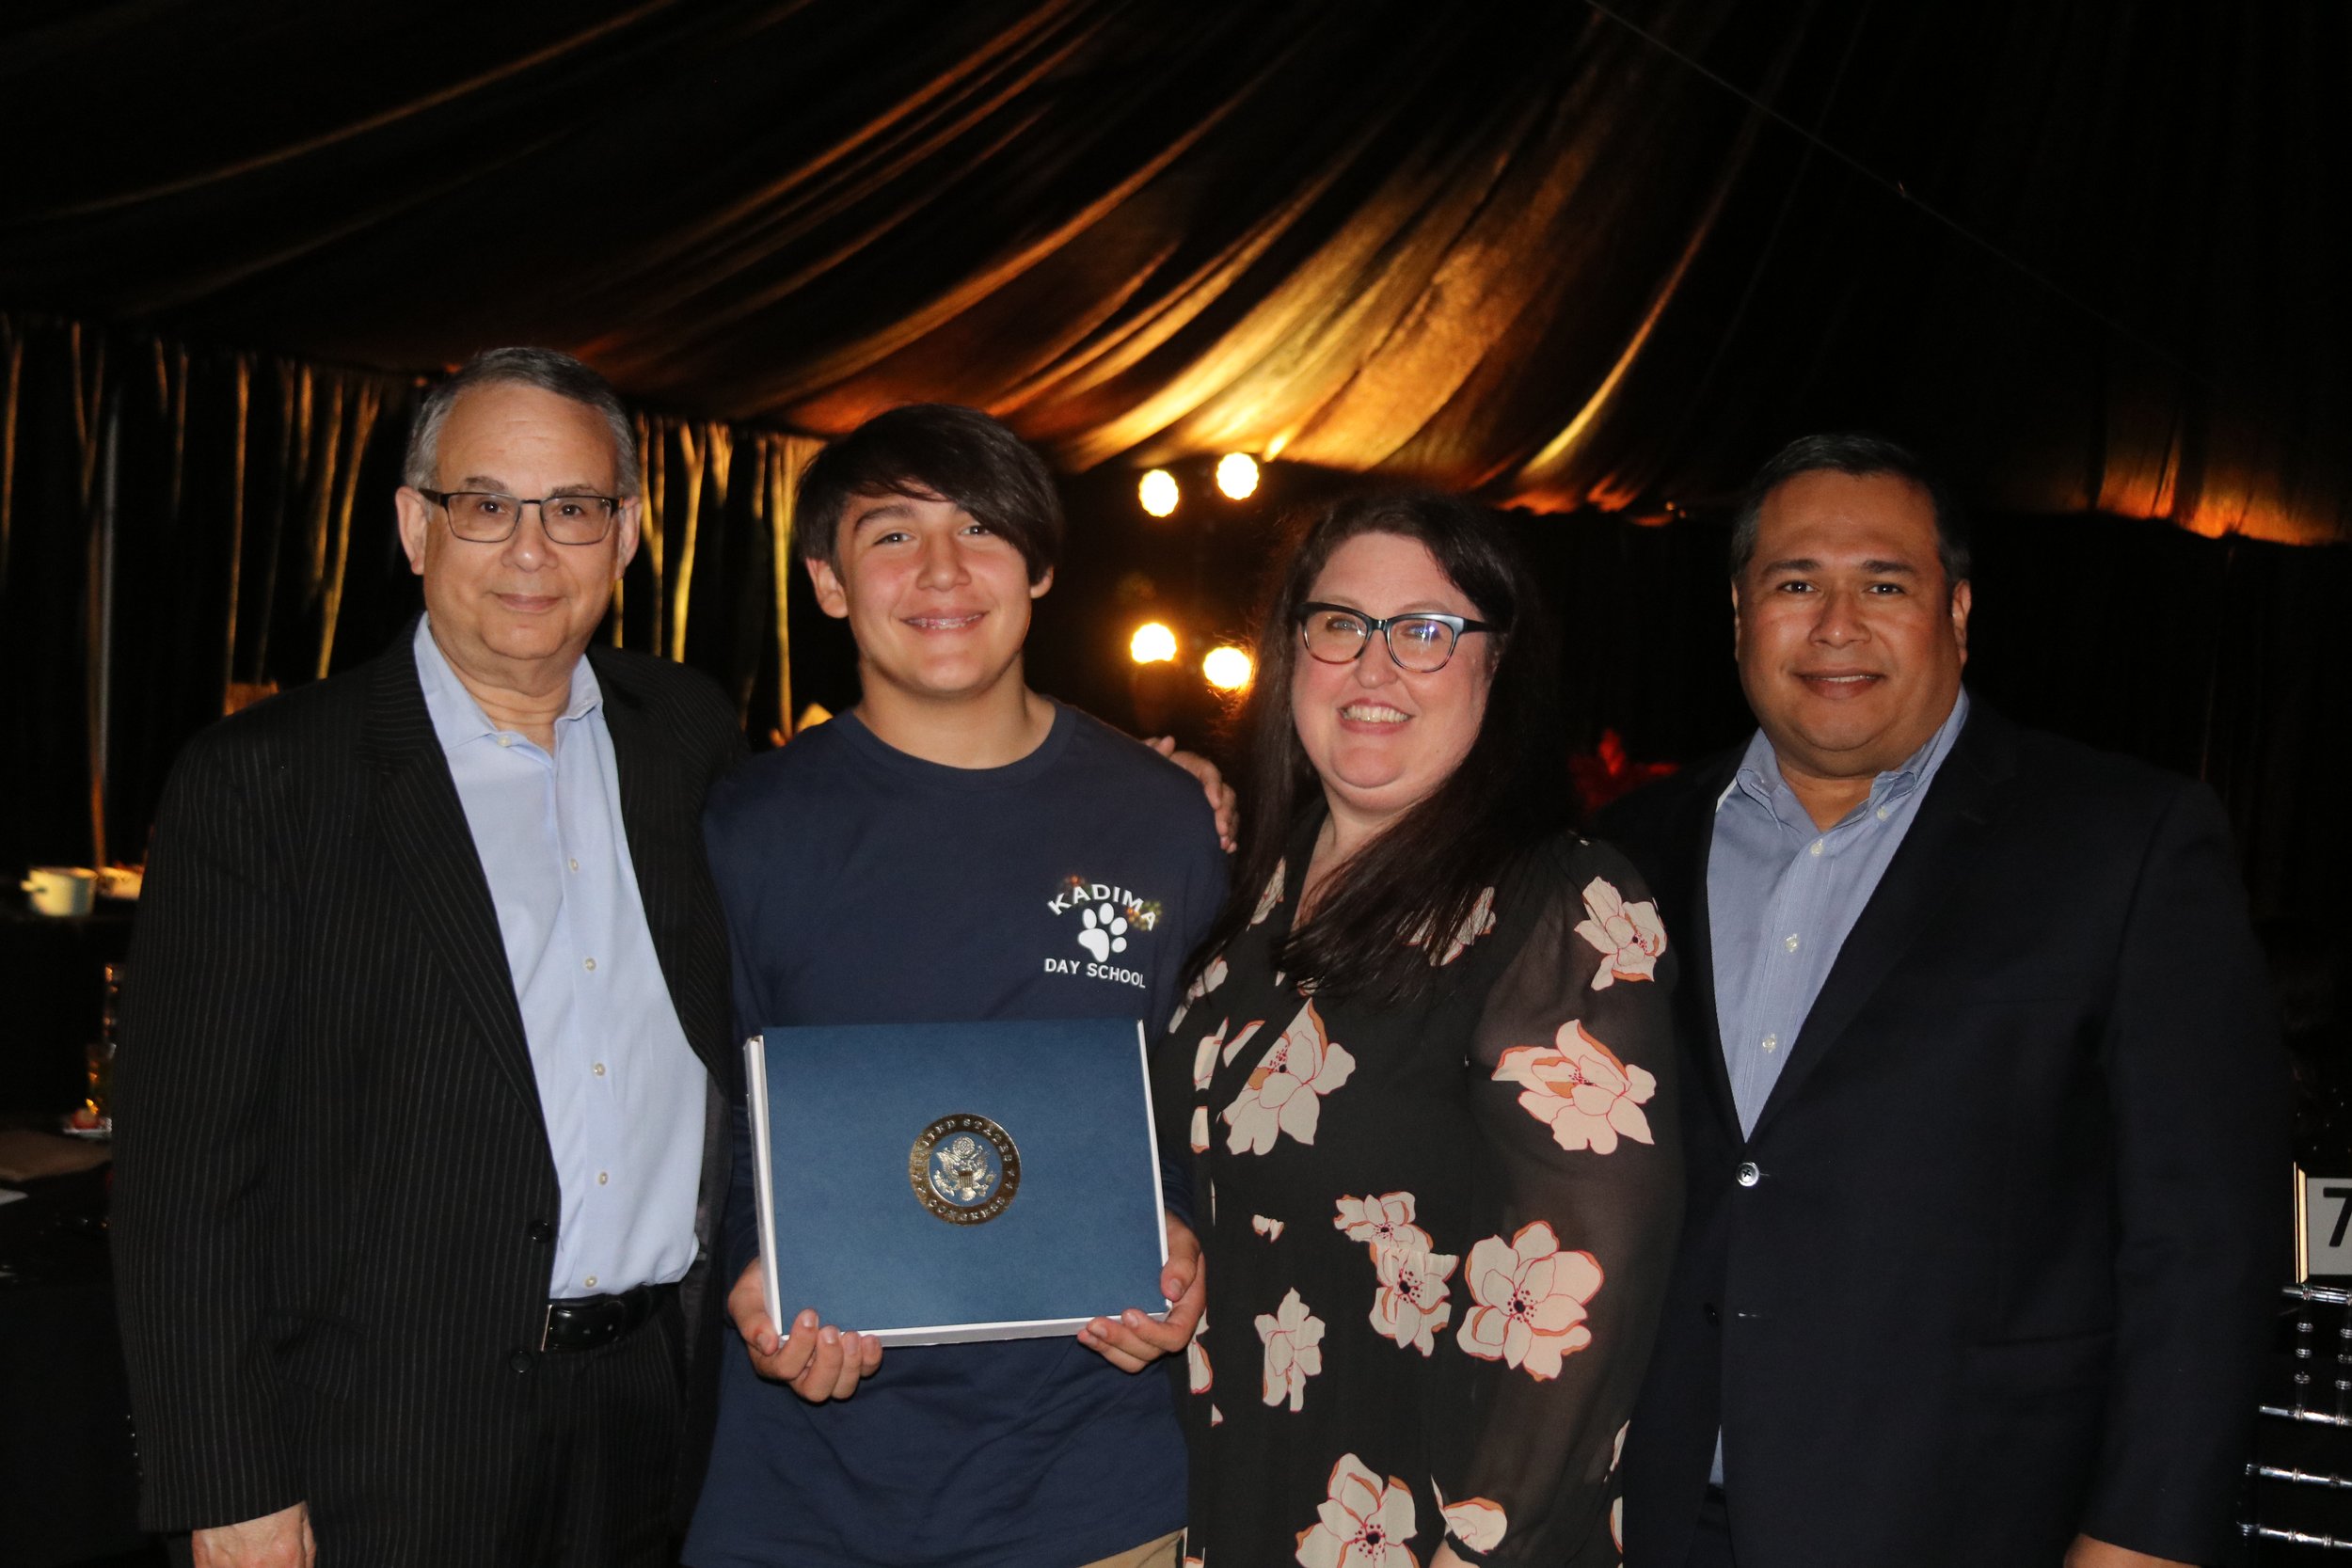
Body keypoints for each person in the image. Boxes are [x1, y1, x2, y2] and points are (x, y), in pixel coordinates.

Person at [1599, 434, 2286, 1568]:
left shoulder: (2123, 843)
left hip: (1971, 1523)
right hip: (1644, 1520)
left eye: (1883, 583)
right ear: (1736, 615)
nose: (1834, 623)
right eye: (1793, 583)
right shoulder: (1627, 849)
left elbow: (2205, 1238)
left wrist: (2141, 1539)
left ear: (1957, 612)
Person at [112, 348, 747, 1567]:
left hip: (656, 1420)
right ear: (415, 523)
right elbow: (183, 1176)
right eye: (485, 503)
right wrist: (228, 1477)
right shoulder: (268, 779)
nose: (528, 549)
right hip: (380, 1446)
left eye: (573, 509)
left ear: (627, 536)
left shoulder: (690, 735)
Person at [683, 404, 1228, 1568]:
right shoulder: (747, 827)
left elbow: (1204, 1092)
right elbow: (713, 1116)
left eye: (980, 526)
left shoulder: (1164, 816)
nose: (940, 570)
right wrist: (749, 1268)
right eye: (890, 534)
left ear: (1038, 566)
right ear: (828, 581)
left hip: (1095, 1486)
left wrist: (1182, 1236)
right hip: (807, 1491)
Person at [1164, 491, 1682, 1566]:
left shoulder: (1561, 907)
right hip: (1243, 1495)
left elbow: (1592, 1293)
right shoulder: (1250, 892)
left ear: (1499, 664)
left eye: (1428, 631)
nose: (1373, 666)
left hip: (1437, 1526)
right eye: (1340, 623)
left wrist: (1479, 1550)